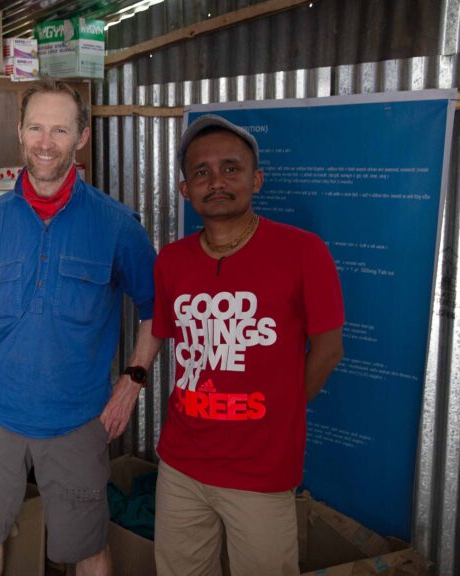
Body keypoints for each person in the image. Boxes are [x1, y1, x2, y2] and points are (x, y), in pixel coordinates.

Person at [0, 79, 161, 576]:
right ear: (19, 132)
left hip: (78, 420)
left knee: (87, 547)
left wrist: (132, 381)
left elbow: (156, 309)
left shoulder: (117, 225)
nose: (45, 142)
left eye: (60, 130)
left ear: (81, 137)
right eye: (36, 128)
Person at [152, 114, 345, 576]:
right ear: (185, 190)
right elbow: (172, 340)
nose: (216, 181)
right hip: (181, 466)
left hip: (261, 472)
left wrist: (282, 411)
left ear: (256, 179)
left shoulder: (303, 251)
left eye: (230, 168)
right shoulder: (172, 261)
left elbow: (328, 349)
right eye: (201, 172)